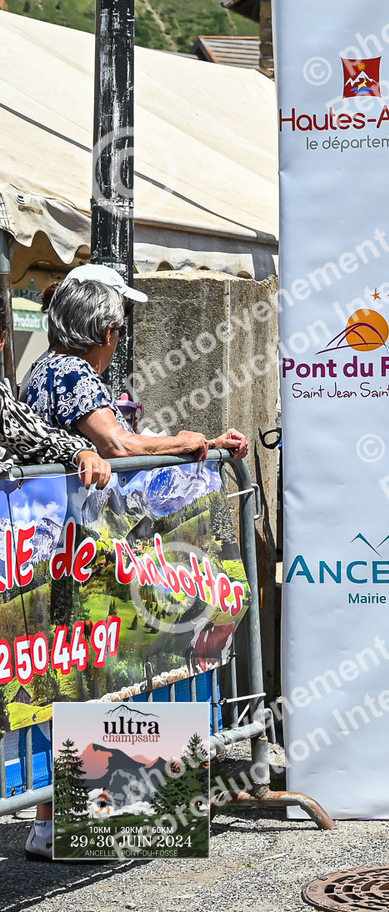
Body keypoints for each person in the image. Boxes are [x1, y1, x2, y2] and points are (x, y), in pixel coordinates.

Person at [0, 293, 112, 862]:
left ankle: (56, 820)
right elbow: (118, 444)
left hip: (40, 555)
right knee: (58, 673)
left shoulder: (23, 380)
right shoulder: (68, 373)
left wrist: (75, 451)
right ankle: (59, 819)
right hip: (49, 553)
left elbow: (29, 435)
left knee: (53, 672)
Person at [24, 267, 249, 459]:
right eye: (121, 330)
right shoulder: (71, 371)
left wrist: (209, 445)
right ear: (107, 333)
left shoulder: (46, 366)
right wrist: (182, 442)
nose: (120, 339)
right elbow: (118, 445)